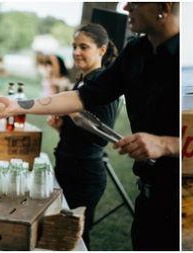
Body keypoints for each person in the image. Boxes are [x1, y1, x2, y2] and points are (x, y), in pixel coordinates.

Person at [0, 2, 179, 250]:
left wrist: (166, 144)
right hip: (148, 197)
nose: (126, 6)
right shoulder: (135, 51)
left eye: (136, 1)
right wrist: (17, 105)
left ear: (164, 6)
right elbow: (82, 97)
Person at [46, 23, 119, 248]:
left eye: (84, 47)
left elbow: (101, 136)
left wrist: (71, 112)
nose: (77, 52)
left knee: (75, 237)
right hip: (67, 165)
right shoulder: (83, 80)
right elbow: (79, 130)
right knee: (61, 233)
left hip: (85, 174)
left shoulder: (103, 83)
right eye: (74, 46)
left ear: (102, 50)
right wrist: (61, 127)